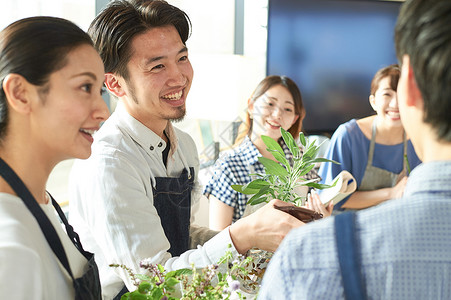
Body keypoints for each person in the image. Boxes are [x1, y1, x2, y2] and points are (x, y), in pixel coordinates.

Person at [67, 1, 303, 298]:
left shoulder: (184, 145)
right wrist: (242, 236)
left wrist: (254, 241)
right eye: (157, 66)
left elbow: (182, 236)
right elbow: (153, 286)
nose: (179, 77)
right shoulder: (109, 164)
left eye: (182, 58)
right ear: (115, 84)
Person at [259, 0, 451, 298]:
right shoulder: (349, 135)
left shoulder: (309, 259)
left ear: (409, 87)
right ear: (374, 99)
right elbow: (328, 196)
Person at [0, 17, 109, 299]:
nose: (103, 111)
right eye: (85, 87)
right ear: (20, 94)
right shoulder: (9, 250)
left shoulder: (39, 203)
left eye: (100, 91)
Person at [204, 75, 330, 230]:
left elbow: (312, 224)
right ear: (251, 106)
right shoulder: (228, 166)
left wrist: (323, 218)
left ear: (294, 119)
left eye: (288, 109)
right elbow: (218, 241)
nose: (277, 114)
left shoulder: (301, 162)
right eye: (270, 104)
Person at [318, 64, 421, 211]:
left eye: (402, 94)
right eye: (387, 94)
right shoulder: (349, 136)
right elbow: (329, 199)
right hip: (351, 227)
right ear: (373, 101)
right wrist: (390, 193)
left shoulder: (419, 138)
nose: (395, 103)